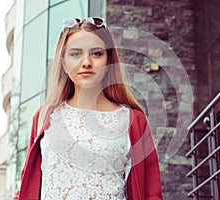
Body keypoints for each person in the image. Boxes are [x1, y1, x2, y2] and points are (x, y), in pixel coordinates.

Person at [14, 17, 162, 200]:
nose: (86, 62)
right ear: (63, 64)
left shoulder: (133, 120)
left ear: (109, 61)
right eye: (76, 54)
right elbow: (27, 186)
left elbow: (151, 193)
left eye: (96, 54)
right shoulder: (44, 117)